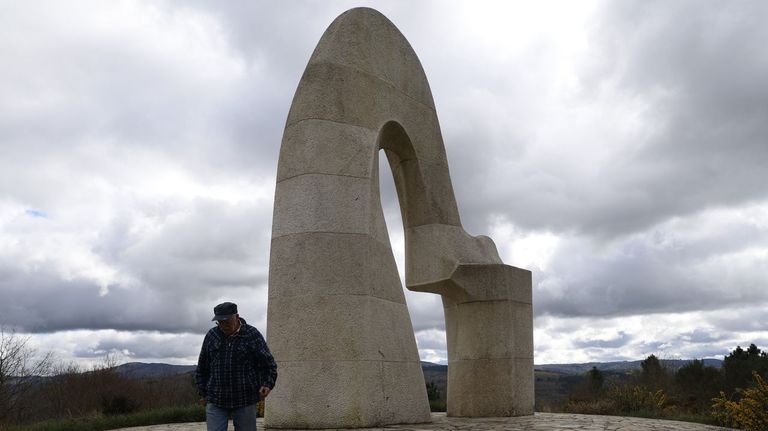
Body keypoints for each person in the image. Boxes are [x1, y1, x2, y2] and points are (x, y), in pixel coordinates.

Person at [195, 302, 277, 431]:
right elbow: (202, 367)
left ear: (237, 317)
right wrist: (203, 393)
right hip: (216, 399)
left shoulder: (251, 334)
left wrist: (267, 384)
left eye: (226, 321)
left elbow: (268, 364)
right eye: (219, 322)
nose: (223, 326)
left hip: (245, 399)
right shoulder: (212, 336)